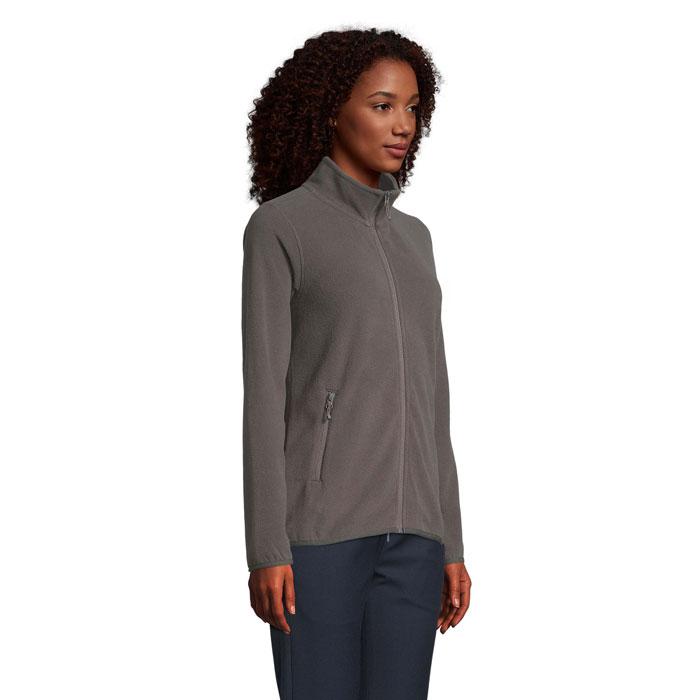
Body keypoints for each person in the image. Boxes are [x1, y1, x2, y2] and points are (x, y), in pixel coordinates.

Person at [242, 27, 472, 699]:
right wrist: (267, 547)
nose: (403, 125)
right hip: (320, 539)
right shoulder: (281, 227)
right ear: (331, 111)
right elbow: (265, 396)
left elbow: (434, 401)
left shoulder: (415, 239)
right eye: (382, 105)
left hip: (416, 542)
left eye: (412, 108)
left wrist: (450, 541)